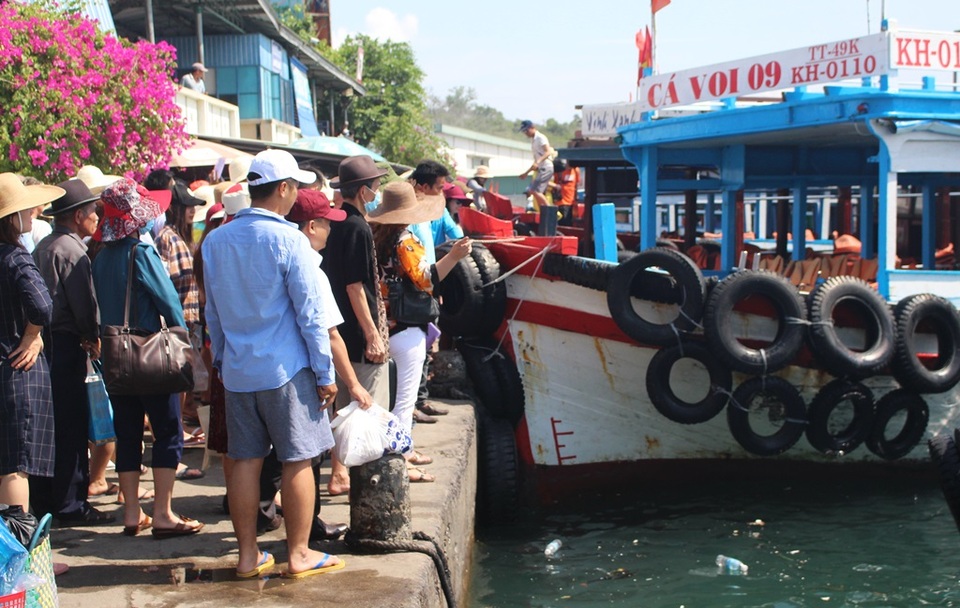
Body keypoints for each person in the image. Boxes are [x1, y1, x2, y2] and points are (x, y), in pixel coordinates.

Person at [202, 149, 344, 578]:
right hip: (287, 372)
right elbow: (311, 315)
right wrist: (325, 373)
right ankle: (298, 553)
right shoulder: (290, 240)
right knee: (298, 459)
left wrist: (224, 362)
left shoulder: (215, 240)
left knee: (244, 460)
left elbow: (214, 315)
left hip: (239, 371)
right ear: (283, 189)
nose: (296, 193)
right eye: (296, 186)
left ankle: (248, 557)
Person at [91, 178, 203, 539]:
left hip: (115, 355)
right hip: (149, 353)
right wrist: (181, 337)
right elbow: (169, 301)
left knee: (127, 433)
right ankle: (164, 513)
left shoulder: (100, 257)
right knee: (167, 431)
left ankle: (131, 513)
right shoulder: (141, 252)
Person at [369, 181, 472, 482]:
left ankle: (403, 451)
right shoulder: (406, 241)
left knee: (386, 399)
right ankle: (402, 460)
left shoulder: (376, 239)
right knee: (405, 400)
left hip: (383, 325)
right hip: (408, 329)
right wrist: (454, 255)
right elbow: (427, 279)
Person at [30, 179, 115, 526]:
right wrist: (92, 336)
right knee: (71, 425)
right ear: (78, 215)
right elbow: (84, 306)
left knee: (50, 425)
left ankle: (49, 499)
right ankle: (69, 503)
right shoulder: (72, 251)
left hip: (45, 344)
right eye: (93, 210)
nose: (97, 216)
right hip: (65, 343)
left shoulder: (45, 246)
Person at [321, 155, 389, 496]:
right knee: (361, 405)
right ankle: (350, 475)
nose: (378, 191)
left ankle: (339, 471)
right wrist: (372, 332)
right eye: (375, 186)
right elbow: (355, 286)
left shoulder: (333, 224)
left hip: (336, 329)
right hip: (354, 330)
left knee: (343, 405)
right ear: (363, 191)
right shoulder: (358, 227)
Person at [0, 173, 62, 512]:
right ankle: (19, 558)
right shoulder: (14, 257)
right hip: (15, 369)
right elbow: (41, 304)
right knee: (15, 468)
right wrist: (32, 334)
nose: (31, 213)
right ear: (12, 218)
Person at [518, 120, 555, 211]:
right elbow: (535, 162)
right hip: (541, 167)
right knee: (533, 191)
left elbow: (548, 152)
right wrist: (526, 173)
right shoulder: (534, 141)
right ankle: (543, 211)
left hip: (546, 167)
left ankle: (550, 211)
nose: (525, 133)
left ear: (532, 128)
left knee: (535, 190)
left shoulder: (540, 138)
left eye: (526, 131)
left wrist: (538, 162)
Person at [550, 158, 580, 226]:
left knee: (570, 222)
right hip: (561, 202)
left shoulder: (576, 170)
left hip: (571, 202)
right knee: (562, 222)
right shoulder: (559, 170)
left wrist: (576, 198)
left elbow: (576, 184)